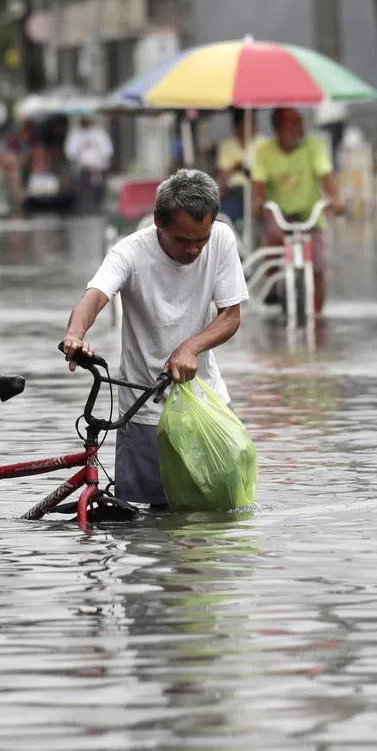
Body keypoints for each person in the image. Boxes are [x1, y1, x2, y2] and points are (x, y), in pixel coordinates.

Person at [61, 169, 249, 507]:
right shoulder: (129, 252)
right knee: (148, 527)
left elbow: (230, 316)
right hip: (144, 409)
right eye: (183, 240)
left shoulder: (221, 239)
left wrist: (190, 347)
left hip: (207, 401)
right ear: (158, 221)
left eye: (200, 240)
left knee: (225, 509)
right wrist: (75, 336)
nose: (193, 250)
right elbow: (95, 296)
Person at [251, 108, 345, 314]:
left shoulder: (313, 146)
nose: (300, 128)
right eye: (293, 124)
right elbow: (258, 182)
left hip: (309, 214)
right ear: (278, 129)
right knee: (273, 237)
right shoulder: (264, 151)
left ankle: (318, 317)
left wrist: (335, 199)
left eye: (300, 122)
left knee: (318, 266)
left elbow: (326, 175)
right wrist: (257, 202)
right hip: (280, 214)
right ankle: (274, 284)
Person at [215, 108, 263, 223]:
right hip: (234, 191)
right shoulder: (227, 145)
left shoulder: (263, 144)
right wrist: (235, 167)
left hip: (257, 190)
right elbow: (222, 177)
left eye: (253, 122)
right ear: (238, 125)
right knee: (223, 217)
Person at [63, 114, 113, 212]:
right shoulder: (75, 133)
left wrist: (96, 146)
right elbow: (70, 152)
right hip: (82, 169)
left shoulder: (99, 132)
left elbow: (108, 150)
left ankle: (98, 208)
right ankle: (83, 210)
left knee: (98, 192)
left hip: (98, 169)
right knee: (82, 194)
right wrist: (80, 146)